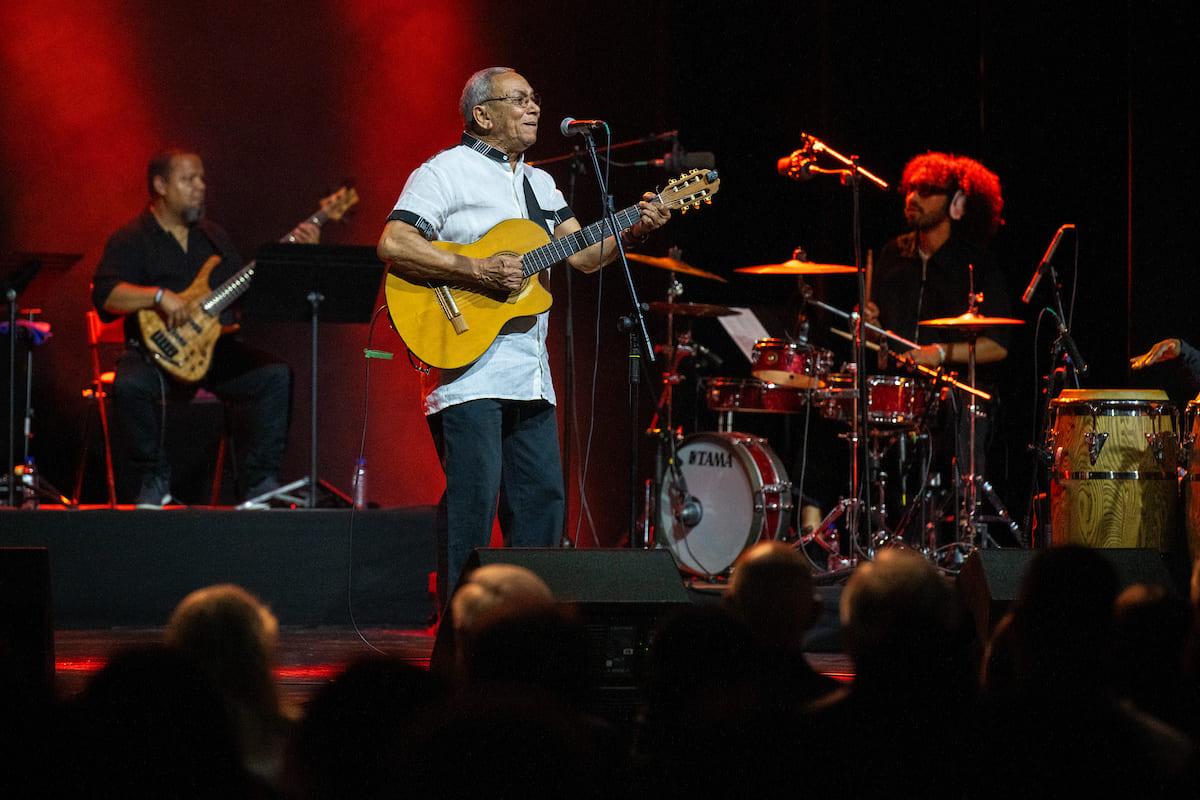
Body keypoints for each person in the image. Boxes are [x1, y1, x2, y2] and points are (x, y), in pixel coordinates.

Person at [376, 67, 671, 606]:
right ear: (482, 114)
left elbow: (582, 256)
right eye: (519, 99)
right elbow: (394, 242)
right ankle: (458, 631)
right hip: (467, 367)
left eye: (535, 98)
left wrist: (632, 227)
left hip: (531, 376)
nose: (534, 107)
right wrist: (476, 272)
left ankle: (526, 629)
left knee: (542, 504)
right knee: (475, 503)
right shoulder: (444, 172)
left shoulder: (541, 183)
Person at [91, 148, 311, 507]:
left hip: (212, 352)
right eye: (189, 179)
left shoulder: (213, 237)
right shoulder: (131, 238)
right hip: (153, 354)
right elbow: (106, 295)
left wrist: (296, 258)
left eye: (202, 178)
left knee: (275, 375)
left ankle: (260, 483)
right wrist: (159, 296)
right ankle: (154, 477)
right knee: (129, 386)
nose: (200, 187)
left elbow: (245, 293)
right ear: (160, 185)